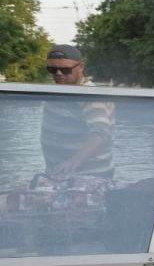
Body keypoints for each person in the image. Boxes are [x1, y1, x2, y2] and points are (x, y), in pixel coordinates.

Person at [39, 44, 114, 180]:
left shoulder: (89, 95)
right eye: (52, 69)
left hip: (88, 176)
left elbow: (101, 132)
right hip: (59, 173)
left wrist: (74, 161)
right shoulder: (60, 90)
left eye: (65, 70)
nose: (58, 74)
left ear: (81, 67)